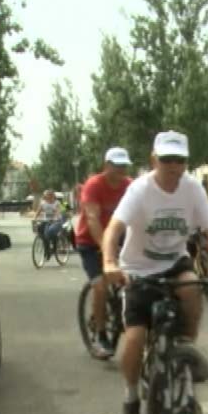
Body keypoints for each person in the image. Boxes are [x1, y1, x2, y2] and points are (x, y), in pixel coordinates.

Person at [102, 131, 208, 414]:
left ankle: (186, 355)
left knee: (191, 287)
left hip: (174, 262)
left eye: (180, 160)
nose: (174, 166)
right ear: (154, 160)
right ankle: (131, 398)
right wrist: (109, 262)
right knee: (135, 338)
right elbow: (114, 228)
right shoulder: (139, 190)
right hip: (137, 269)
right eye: (167, 159)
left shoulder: (191, 189)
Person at [75, 147, 133, 359]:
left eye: (124, 166)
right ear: (106, 165)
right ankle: (100, 335)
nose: (121, 170)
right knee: (100, 286)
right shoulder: (93, 186)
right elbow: (92, 219)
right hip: (91, 242)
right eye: (116, 166)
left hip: (120, 238)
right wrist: (106, 248)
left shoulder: (130, 185)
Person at [34, 190, 64, 259]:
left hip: (55, 221)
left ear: (53, 196)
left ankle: (54, 247)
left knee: (50, 232)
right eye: (47, 195)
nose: (49, 197)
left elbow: (58, 211)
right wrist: (35, 218)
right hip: (46, 221)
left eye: (50, 195)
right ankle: (47, 251)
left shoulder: (57, 203)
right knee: (41, 232)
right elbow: (38, 211)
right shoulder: (43, 203)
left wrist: (57, 216)